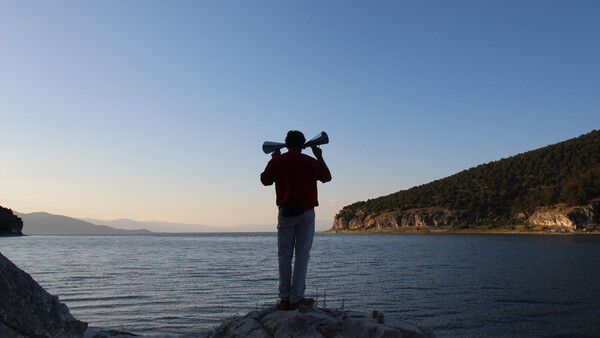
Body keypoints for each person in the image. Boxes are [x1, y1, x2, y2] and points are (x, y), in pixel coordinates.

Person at [260, 130, 332, 310]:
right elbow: (326, 177)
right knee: (302, 254)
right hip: (306, 212)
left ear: (286, 143)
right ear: (302, 144)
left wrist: (273, 159)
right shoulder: (309, 161)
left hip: (284, 212)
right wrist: (319, 156)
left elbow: (265, 180)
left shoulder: (278, 161)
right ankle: (297, 297)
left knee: (284, 255)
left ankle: (284, 299)